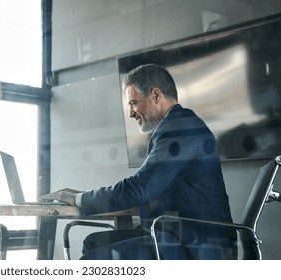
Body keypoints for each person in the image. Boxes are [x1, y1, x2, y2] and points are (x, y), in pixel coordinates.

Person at [41, 63, 237, 260]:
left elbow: (140, 187)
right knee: (93, 242)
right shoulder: (175, 126)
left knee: (92, 262)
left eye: (133, 102)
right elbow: (147, 188)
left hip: (196, 246)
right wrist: (84, 196)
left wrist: (80, 199)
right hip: (177, 235)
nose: (131, 113)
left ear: (156, 95)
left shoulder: (181, 128)